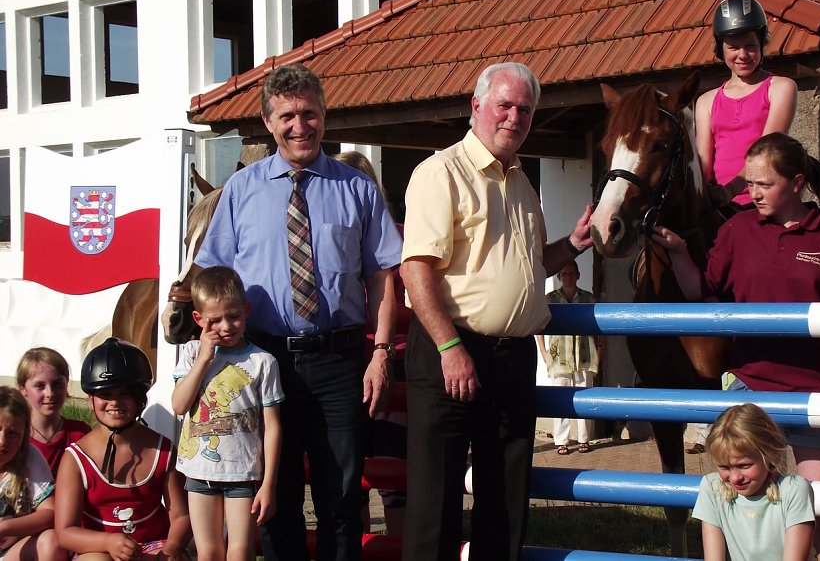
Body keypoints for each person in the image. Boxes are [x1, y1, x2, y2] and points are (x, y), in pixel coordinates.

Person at [193, 63, 402, 561]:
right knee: (275, 498)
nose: (300, 126)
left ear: (324, 117)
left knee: (342, 497)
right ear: (269, 122)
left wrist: (380, 353)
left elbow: (383, 277)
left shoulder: (357, 189)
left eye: (310, 113)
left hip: (340, 362)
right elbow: (211, 275)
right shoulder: (240, 191)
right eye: (287, 115)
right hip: (263, 361)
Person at [400, 61, 593, 561]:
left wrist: (572, 244)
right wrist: (449, 347)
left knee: (506, 501)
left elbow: (530, 265)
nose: (514, 118)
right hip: (451, 351)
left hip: (511, 359)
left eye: (525, 110)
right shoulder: (440, 172)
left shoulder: (523, 183)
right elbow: (416, 270)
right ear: (477, 106)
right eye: (504, 106)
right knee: (434, 504)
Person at [654, 132, 820, 561]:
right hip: (752, 389)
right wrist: (677, 252)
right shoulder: (736, 229)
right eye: (749, 182)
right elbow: (703, 291)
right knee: (742, 507)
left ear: (797, 182)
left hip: (818, 392)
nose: (753, 192)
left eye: (764, 183)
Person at [172, 266, 284, 560]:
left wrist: (268, 484)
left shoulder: (263, 362)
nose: (226, 326)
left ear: (246, 310)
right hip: (199, 470)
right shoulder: (193, 353)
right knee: (207, 551)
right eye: (215, 320)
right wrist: (205, 360)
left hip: (242, 471)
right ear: (198, 319)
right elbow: (179, 405)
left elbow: (272, 427)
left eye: (233, 316)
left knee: (239, 550)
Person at [55, 338, 191, 561]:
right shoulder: (76, 458)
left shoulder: (163, 450)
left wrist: (173, 547)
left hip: (154, 545)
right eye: (105, 395)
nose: (115, 402)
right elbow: (65, 532)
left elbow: (180, 515)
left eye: (125, 394)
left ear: (141, 398)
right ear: (90, 400)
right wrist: (108, 542)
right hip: (97, 548)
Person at [332, 150, 409, 536]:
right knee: (353, 478)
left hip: (387, 361)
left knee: (394, 478)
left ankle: (397, 549)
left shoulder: (393, 233)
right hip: (348, 362)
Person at [696, 0, 797, 210]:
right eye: (733, 47)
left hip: (764, 202)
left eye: (750, 45)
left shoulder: (780, 88)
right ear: (720, 49)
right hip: (720, 203)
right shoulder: (706, 101)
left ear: (761, 43)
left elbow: (765, 151)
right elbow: (704, 163)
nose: (743, 55)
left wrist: (730, 190)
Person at [692, 403, 814, 561]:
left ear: (769, 454)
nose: (735, 477)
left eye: (744, 466)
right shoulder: (712, 488)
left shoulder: (794, 490)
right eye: (724, 467)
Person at [535, 260, 599, 454]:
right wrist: (544, 352)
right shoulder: (549, 299)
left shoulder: (588, 298)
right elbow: (539, 326)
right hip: (559, 356)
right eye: (564, 274)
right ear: (558, 277)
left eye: (571, 273)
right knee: (560, 400)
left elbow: (599, 327)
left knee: (584, 399)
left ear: (578, 275)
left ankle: (584, 440)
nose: (568, 277)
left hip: (584, 355)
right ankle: (561, 441)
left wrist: (601, 349)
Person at [0, 387, 65, 561]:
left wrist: (5, 527)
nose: (2, 441)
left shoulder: (29, 456)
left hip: (11, 552)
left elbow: (51, 513)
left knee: (52, 541)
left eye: (13, 434)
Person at [16, 347, 90, 476]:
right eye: (40, 386)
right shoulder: (14, 436)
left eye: (57, 384)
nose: (50, 393)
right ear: (23, 389)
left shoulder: (80, 435)